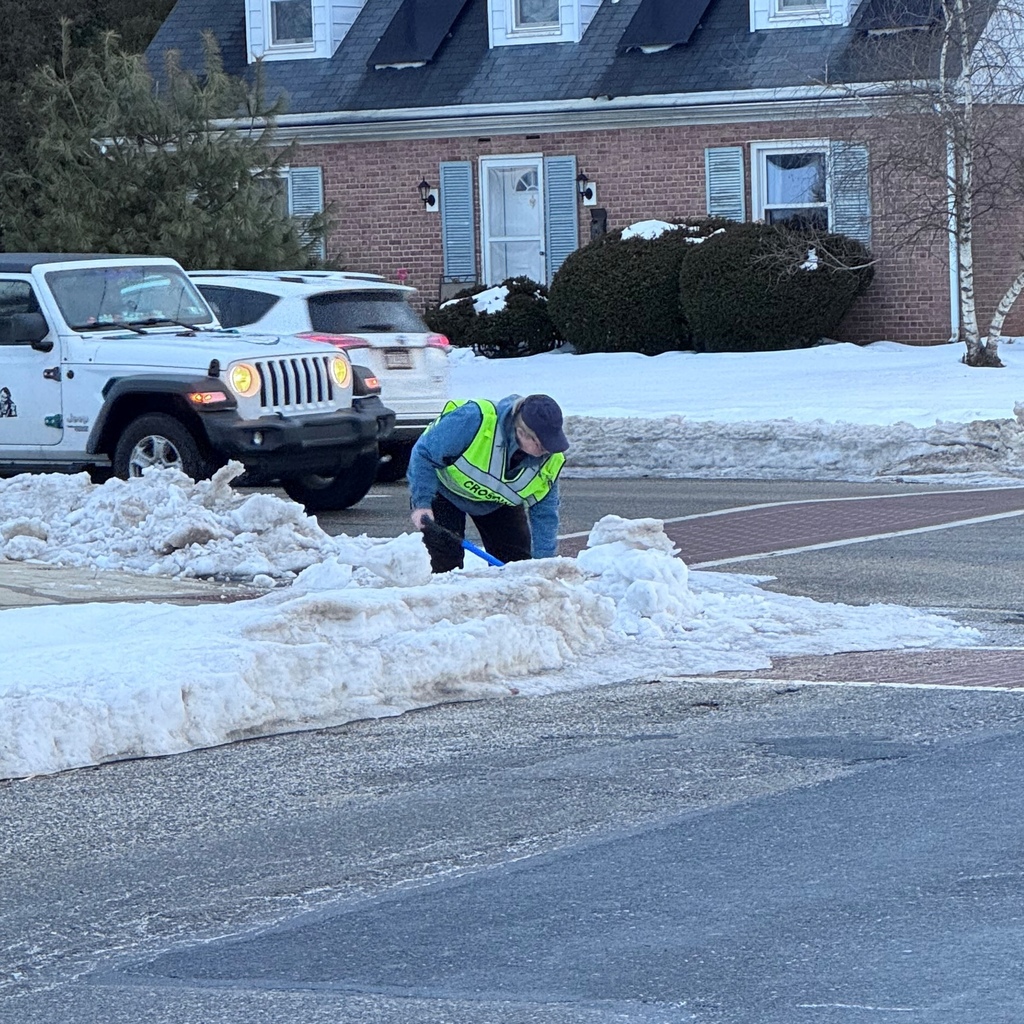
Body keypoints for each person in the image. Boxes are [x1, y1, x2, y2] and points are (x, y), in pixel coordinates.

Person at [408, 394, 569, 573]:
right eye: (541, 445)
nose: (547, 451)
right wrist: (422, 504)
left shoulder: (550, 460)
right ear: (521, 433)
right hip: (444, 491)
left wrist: (544, 566)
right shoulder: (473, 420)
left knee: (516, 566)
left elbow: (545, 514)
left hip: (496, 501)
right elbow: (424, 454)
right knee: (445, 562)